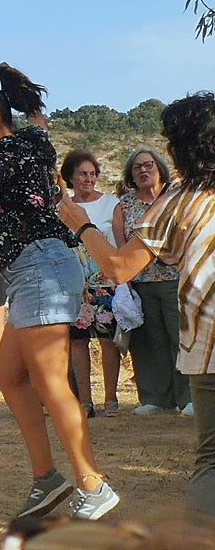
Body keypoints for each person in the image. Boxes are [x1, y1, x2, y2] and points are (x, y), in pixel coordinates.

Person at [0, 63, 118, 521]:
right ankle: (47, 477)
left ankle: (92, 484)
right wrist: (20, 89)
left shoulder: (1, 154)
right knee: (8, 374)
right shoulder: (34, 139)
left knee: (49, 380)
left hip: (41, 264)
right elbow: (38, 118)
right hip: (34, 268)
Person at [57, 92, 215, 517]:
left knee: (212, 460)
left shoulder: (178, 201)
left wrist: (82, 224)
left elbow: (118, 267)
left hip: (210, 343)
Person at [112, 148, 192, 416]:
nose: (143, 171)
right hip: (141, 282)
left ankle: (188, 398)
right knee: (147, 341)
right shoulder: (123, 206)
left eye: (148, 165)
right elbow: (121, 243)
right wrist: (126, 279)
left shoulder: (175, 200)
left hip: (175, 279)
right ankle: (155, 399)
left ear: (160, 169)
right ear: (130, 175)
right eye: (137, 168)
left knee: (179, 338)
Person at [61, 150, 123, 418]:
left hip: (105, 280)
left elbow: (120, 244)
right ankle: (85, 401)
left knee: (108, 341)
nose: (89, 178)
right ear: (70, 177)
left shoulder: (112, 203)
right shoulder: (62, 208)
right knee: (77, 342)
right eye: (83, 174)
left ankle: (111, 398)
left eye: (93, 174)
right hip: (72, 281)